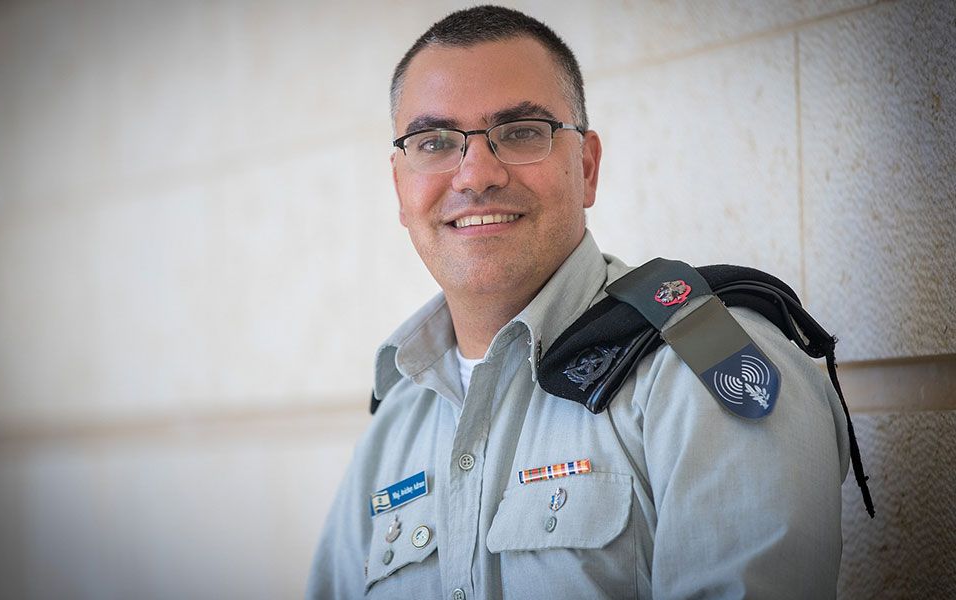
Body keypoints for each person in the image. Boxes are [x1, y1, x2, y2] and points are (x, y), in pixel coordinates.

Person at [307, 6, 852, 599]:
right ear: (400, 186)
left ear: (586, 168)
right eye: (434, 142)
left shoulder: (701, 362)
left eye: (520, 132)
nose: (475, 175)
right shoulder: (394, 424)